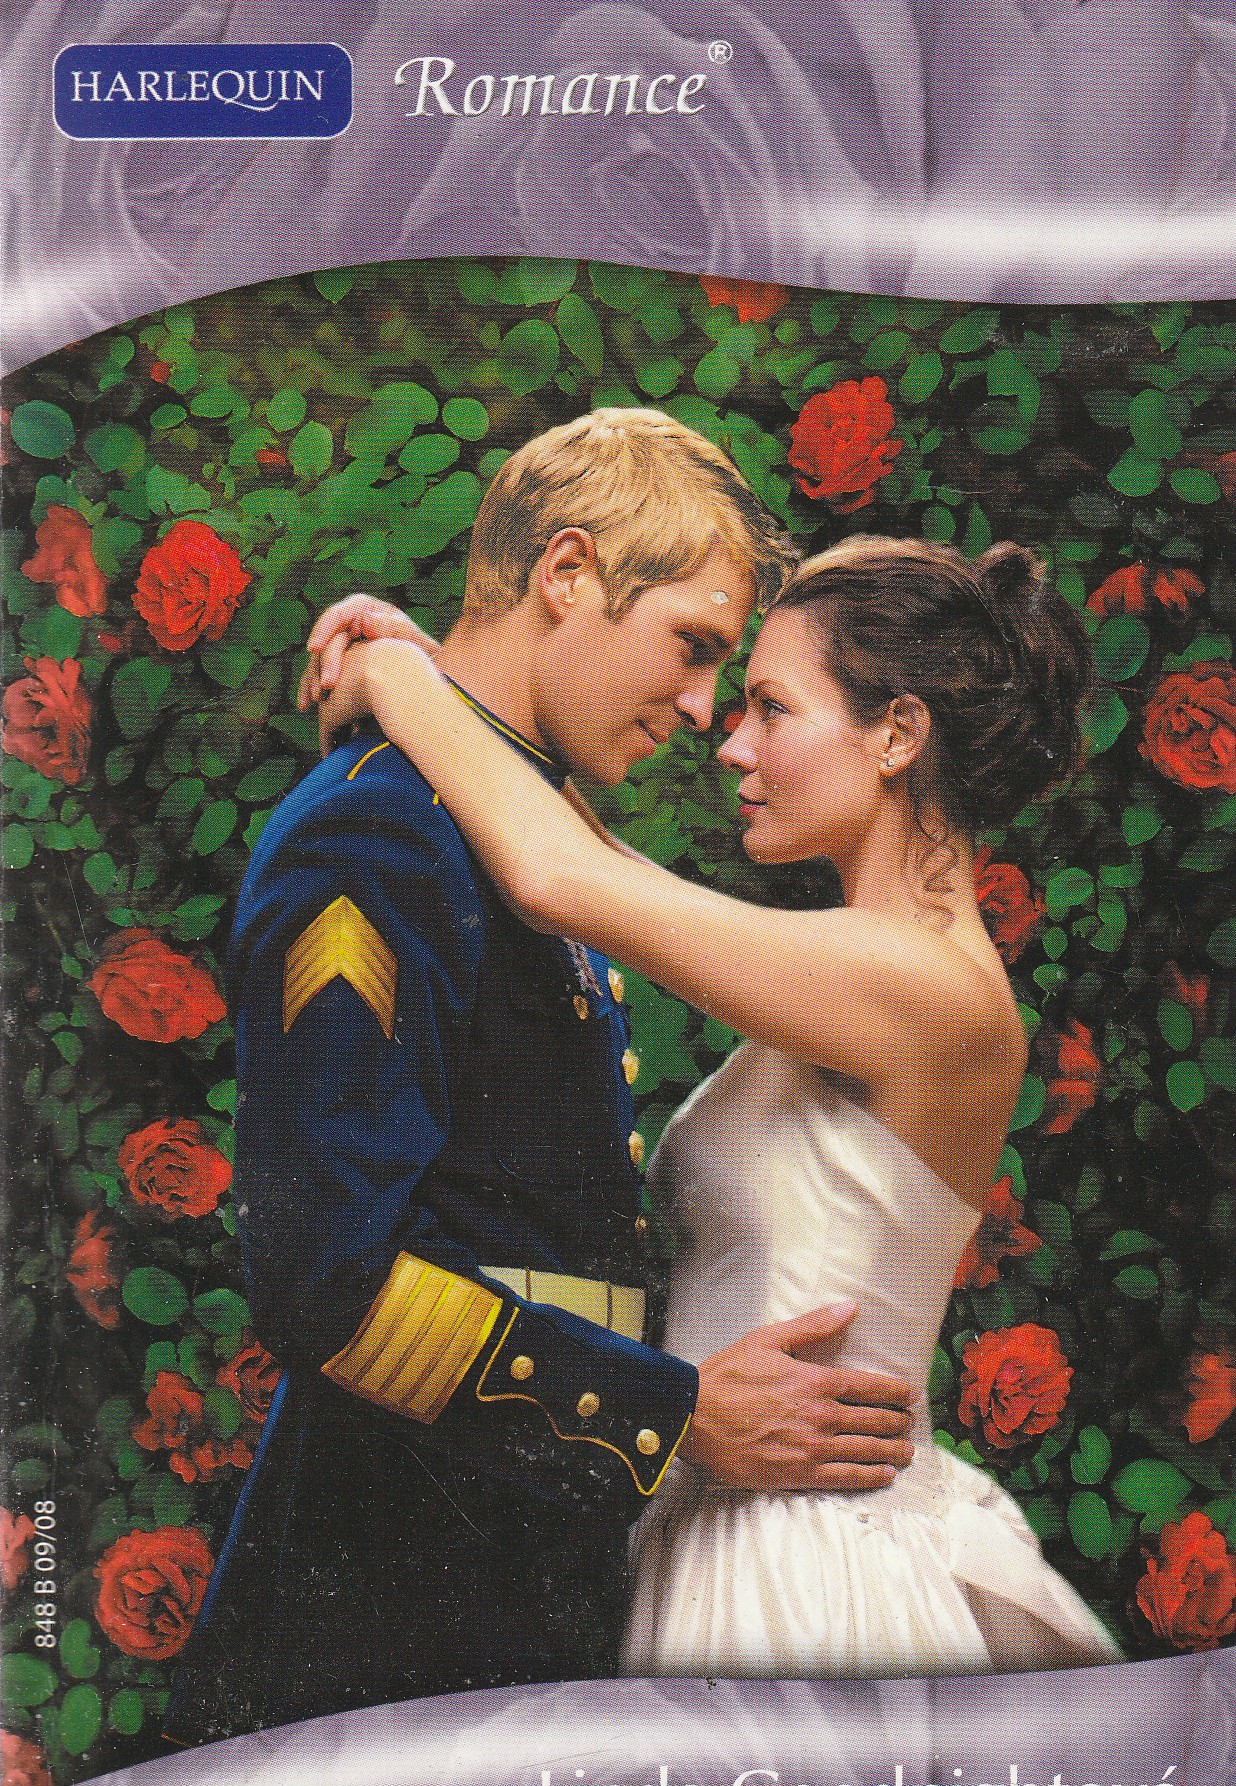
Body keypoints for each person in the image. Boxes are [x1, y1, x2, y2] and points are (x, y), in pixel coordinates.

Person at [164, 411, 919, 1744]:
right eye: (693, 645)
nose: (704, 711)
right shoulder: (374, 835)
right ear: (566, 573)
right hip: (392, 1594)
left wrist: (406, 672)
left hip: (501, 1555)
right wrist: (669, 1414)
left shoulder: (485, 818)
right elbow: (324, 1278)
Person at [303, 531, 1125, 1675]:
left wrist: (394, 677)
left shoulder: (924, 986)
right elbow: (599, 863)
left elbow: (559, 876)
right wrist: (442, 672)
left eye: (772, 709)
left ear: (897, 733)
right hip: (741, 1518)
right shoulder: (863, 960)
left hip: (806, 1570)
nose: (731, 743)